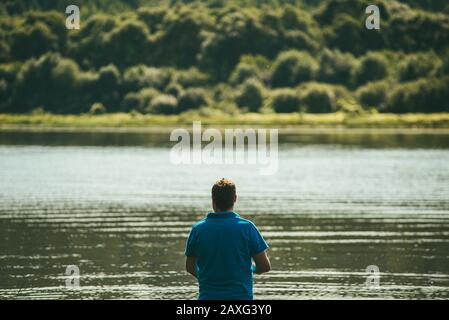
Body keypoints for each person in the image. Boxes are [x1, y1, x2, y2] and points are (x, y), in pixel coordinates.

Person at [184, 178, 271, 300]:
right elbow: (264, 266)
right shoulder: (247, 228)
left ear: (213, 199)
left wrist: (206, 276)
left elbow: (189, 267)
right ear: (235, 198)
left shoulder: (198, 229)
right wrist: (249, 268)